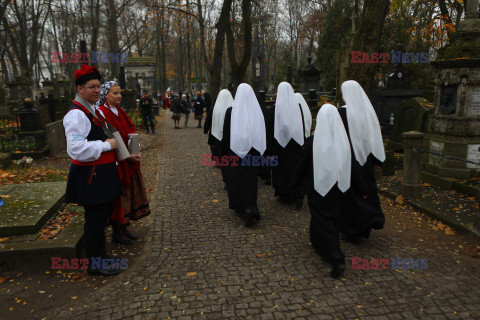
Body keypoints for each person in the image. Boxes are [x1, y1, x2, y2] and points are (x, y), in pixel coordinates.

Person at [63, 64, 121, 276]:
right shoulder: (76, 115)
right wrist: (107, 145)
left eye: (98, 86)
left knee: (100, 217)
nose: (97, 90)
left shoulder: (91, 109)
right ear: (80, 89)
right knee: (94, 221)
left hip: (99, 174)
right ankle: (95, 264)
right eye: (91, 87)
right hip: (91, 176)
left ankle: (101, 257)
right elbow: (76, 149)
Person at [294, 104, 351, 278]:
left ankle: (336, 257)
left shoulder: (313, 141)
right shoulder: (343, 141)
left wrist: (296, 181)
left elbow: (303, 164)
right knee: (328, 218)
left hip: (318, 188)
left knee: (323, 219)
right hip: (338, 188)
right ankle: (317, 242)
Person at [96, 81, 151, 245]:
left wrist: (136, 149)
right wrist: (127, 156)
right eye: (115, 93)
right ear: (106, 95)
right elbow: (113, 136)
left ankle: (123, 227)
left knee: (126, 195)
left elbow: (130, 130)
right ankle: (117, 230)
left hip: (128, 158)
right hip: (117, 161)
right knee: (117, 198)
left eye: (119, 92)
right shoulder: (102, 112)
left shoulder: (119, 110)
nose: (119, 96)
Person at [338, 80, 386, 242]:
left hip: (348, 160)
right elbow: (374, 136)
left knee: (351, 193)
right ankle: (366, 224)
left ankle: (352, 228)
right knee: (366, 190)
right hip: (366, 160)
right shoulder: (366, 112)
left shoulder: (341, 113)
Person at [221, 83, 266, 227]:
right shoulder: (257, 112)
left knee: (236, 180)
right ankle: (251, 207)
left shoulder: (230, 112)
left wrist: (223, 154)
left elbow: (226, 135)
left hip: (234, 152)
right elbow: (261, 133)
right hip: (252, 152)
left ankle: (240, 207)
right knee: (250, 181)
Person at [268, 82, 305, 207]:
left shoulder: (274, 109)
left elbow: (269, 128)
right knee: (294, 168)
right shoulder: (297, 107)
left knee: (281, 171)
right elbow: (302, 125)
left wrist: (270, 147)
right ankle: (297, 193)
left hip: (279, 145)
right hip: (295, 143)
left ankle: (284, 194)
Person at [209, 89, 234, 187]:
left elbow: (213, 125)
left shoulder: (216, 109)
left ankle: (226, 181)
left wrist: (212, 140)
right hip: (231, 138)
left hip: (219, 138)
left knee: (224, 160)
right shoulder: (234, 108)